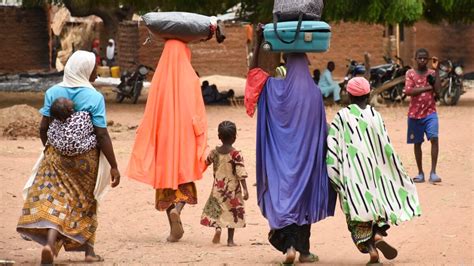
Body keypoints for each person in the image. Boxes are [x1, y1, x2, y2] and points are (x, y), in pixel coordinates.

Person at [17, 50, 121, 264]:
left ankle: (49, 245)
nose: (96, 73)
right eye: (94, 69)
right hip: (86, 161)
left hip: (55, 158)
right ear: (84, 70)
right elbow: (101, 134)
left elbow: (43, 127)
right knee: (86, 202)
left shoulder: (53, 92)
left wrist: (51, 149)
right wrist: (113, 165)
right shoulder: (94, 97)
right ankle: (89, 253)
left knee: (56, 200)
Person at [245, 25, 336, 264]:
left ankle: (289, 248)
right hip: (305, 163)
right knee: (303, 201)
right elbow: (321, 131)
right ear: (305, 65)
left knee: (283, 198)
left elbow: (254, 72)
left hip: (279, 163)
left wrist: (259, 41)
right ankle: (303, 251)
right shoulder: (314, 94)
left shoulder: (273, 88)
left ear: (285, 61)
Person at [326, 77, 421, 265]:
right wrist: (394, 169)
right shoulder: (375, 115)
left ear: (349, 95)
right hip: (376, 173)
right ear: (369, 95)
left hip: (354, 175)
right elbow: (385, 145)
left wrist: (334, 174)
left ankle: (372, 251)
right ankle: (378, 234)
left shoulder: (342, 116)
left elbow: (333, 146)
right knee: (377, 207)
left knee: (358, 215)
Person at [126, 39, 208, 242]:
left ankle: (172, 221)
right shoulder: (191, 78)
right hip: (186, 137)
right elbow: (198, 110)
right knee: (184, 175)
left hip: (164, 137)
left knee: (165, 176)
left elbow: (152, 111)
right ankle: (178, 210)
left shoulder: (159, 80)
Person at [200, 121, 249, 246]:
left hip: (218, 187)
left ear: (219, 136)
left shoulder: (214, 152)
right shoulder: (236, 154)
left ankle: (217, 228)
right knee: (232, 212)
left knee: (218, 209)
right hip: (232, 190)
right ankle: (230, 240)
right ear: (234, 137)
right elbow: (240, 172)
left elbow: (206, 161)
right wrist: (245, 190)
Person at [404, 48, 441, 183]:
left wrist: (436, 70)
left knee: (434, 139)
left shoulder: (432, 73)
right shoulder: (410, 73)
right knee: (417, 143)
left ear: (428, 59)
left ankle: (433, 172)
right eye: (420, 58)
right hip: (414, 115)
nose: (422, 60)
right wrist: (427, 88)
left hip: (430, 113)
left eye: (425, 58)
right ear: (415, 59)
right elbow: (408, 91)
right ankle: (420, 173)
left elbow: (438, 90)